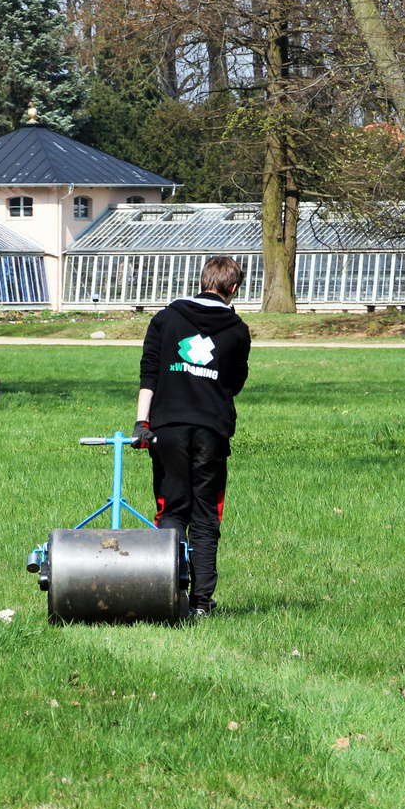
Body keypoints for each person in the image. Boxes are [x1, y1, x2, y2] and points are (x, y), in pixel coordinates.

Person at [133, 256, 252, 618]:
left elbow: (149, 373)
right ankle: (201, 602)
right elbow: (235, 383)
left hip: (167, 427)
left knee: (172, 510)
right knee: (205, 515)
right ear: (233, 288)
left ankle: (169, 593)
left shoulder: (165, 319)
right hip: (211, 430)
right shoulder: (238, 330)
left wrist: (142, 422)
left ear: (202, 281)